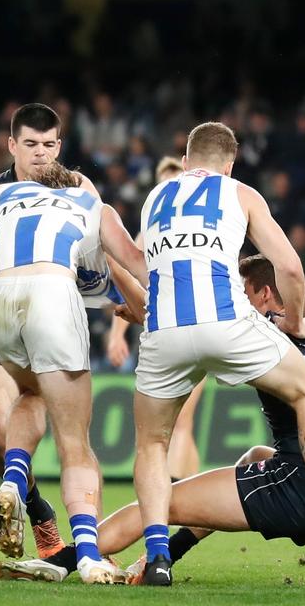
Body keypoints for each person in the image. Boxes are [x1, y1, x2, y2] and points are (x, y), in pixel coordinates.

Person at [0, 255, 305, 584]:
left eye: (240, 294)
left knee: (155, 504)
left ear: (264, 294)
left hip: (298, 491)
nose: (231, 304)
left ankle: (65, 559)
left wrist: (143, 310)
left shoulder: (253, 337)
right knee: (253, 456)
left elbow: (199, 342)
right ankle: (170, 553)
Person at [132, 122, 305, 587]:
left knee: (152, 446)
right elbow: (289, 267)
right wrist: (297, 323)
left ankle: (158, 559)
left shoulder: (154, 198)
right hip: (226, 321)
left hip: (164, 332)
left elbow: (133, 259)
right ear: (229, 164)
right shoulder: (240, 192)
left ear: (184, 162)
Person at [0, 160, 147, 584]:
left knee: (31, 393)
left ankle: (14, 479)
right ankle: (88, 556)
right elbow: (138, 264)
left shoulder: (1, 195)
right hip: (51, 292)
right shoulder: (91, 203)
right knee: (75, 443)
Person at [105, 156, 204, 481]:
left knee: (169, 424)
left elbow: (127, 278)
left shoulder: (153, 230)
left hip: (169, 332)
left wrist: (117, 334)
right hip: (196, 328)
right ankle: (187, 498)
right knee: (181, 422)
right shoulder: (199, 226)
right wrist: (117, 334)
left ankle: (173, 494)